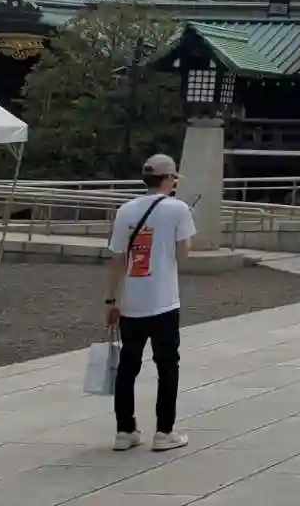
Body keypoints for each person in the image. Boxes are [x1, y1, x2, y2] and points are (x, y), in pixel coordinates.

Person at [105, 153, 197, 452]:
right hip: (163, 301)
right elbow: (183, 254)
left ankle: (125, 430)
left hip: (130, 300)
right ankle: (164, 431)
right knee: (167, 366)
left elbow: (118, 258)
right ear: (169, 179)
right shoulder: (178, 209)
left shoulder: (126, 210)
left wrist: (112, 299)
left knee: (127, 366)